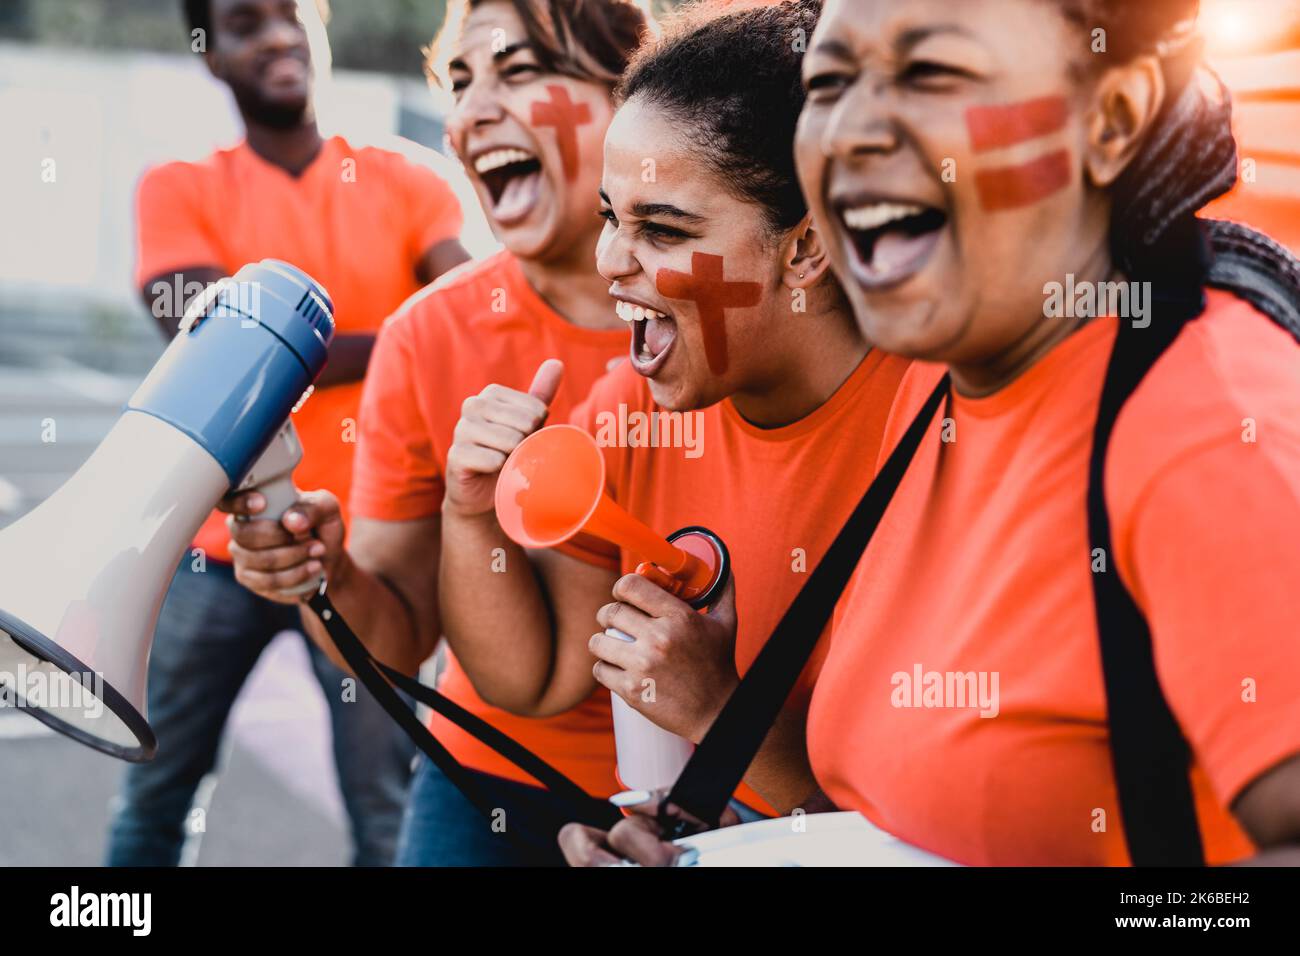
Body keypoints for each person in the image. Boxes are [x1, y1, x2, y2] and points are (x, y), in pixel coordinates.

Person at [562, 0, 1300, 867]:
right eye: (832, 82)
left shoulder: (1199, 422)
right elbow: (913, 820)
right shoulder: (930, 397)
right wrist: (740, 851)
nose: (855, 133)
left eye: (934, 73)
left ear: (1114, 118)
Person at [439, 0, 909, 822]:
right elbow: (534, 680)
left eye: (660, 228)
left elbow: (921, 829)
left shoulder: (938, 423)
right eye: (611, 217)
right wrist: (470, 511)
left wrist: (716, 711)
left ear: (807, 248)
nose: (609, 260)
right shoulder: (631, 407)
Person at [221, 0, 650, 866]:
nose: (471, 111)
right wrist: (324, 573)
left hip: (729, 796)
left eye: (519, 70)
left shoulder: (731, 316)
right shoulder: (428, 335)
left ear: (631, 95)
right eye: (459, 81)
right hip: (484, 786)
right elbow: (397, 640)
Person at [105, 0, 469, 867]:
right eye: (242, 22)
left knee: (389, 817)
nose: (275, 34)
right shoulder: (179, 185)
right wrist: (401, 338)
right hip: (217, 553)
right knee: (156, 791)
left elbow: (469, 327)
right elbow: (214, 350)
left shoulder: (411, 179)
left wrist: (286, 338)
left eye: (290, 13)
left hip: (364, 558)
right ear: (210, 54)